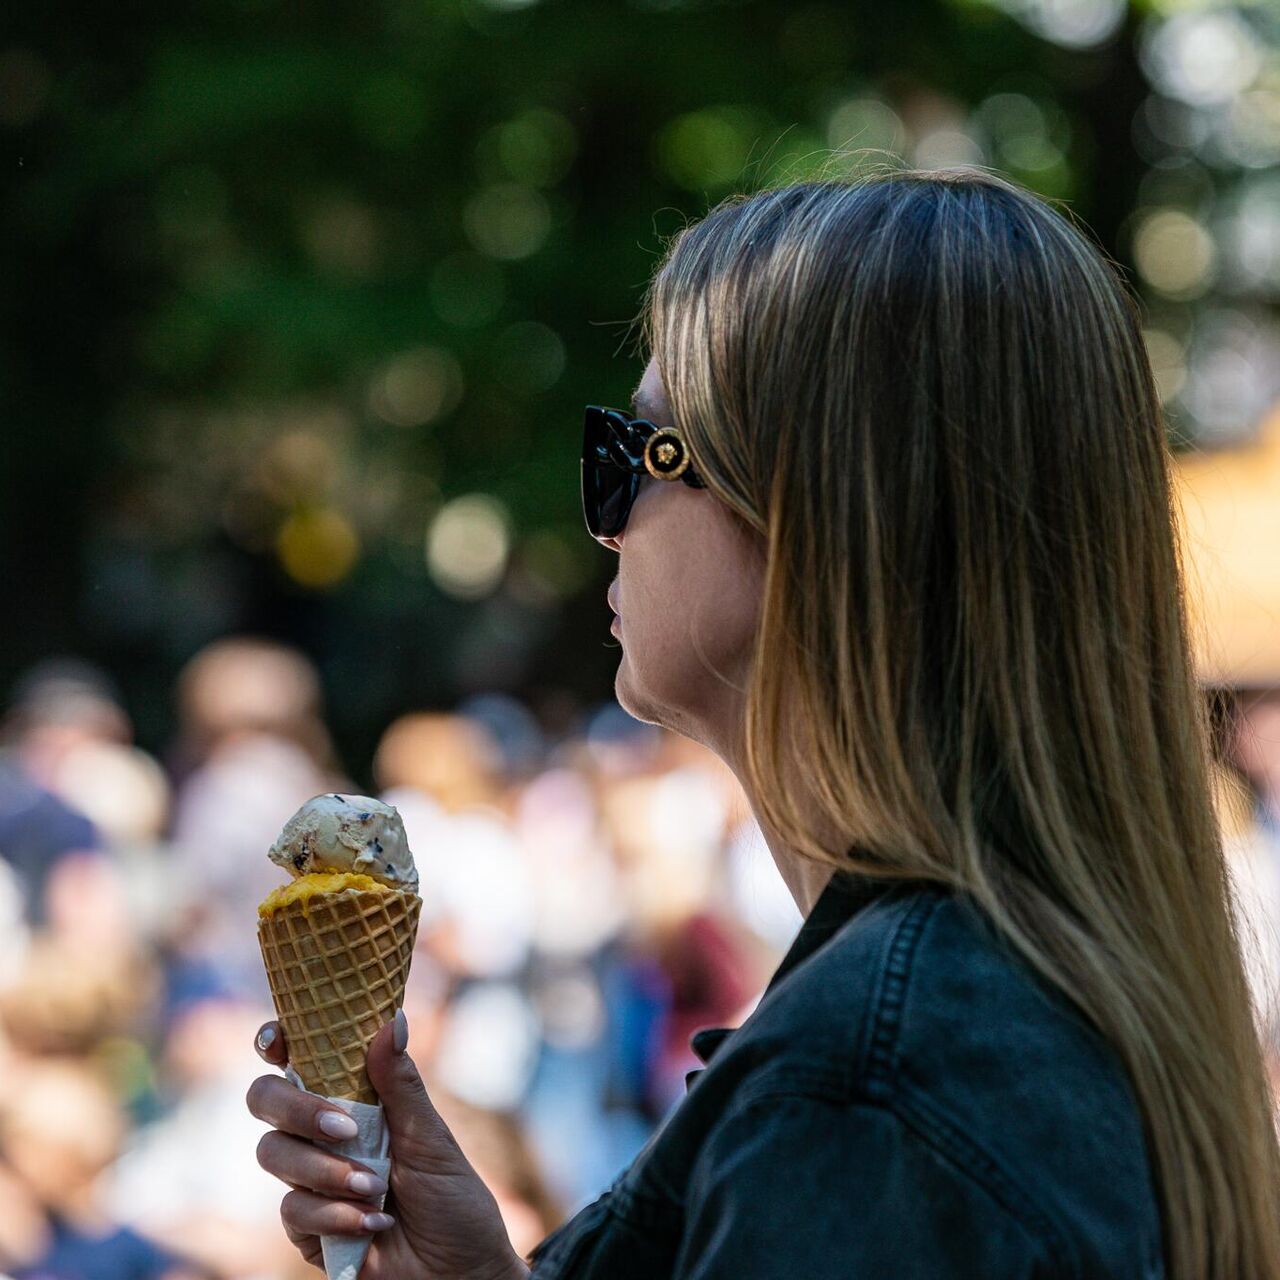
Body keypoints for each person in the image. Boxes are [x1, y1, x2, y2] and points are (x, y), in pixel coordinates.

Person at [246, 168, 1280, 1277]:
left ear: (818, 519)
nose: (603, 525)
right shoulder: (1027, 985)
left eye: (628, 455)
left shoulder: (866, 1084)